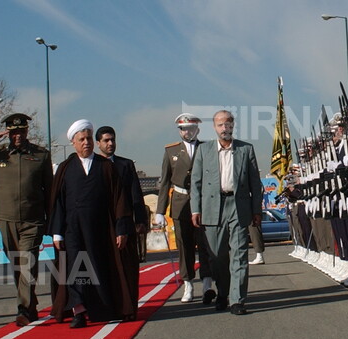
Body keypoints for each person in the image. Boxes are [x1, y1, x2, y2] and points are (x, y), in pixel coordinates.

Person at [0, 113, 53, 327]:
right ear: (8, 133)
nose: (17, 136)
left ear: (27, 132)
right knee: (17, 266)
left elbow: (49, 190)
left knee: (26, 263)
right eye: (13, 133)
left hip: (32, 221)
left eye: (21, 131)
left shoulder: (40, 155)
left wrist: (51, 220)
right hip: (5, 220)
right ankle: (30, 304)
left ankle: (23, 308)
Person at [49, 120, 134, 328]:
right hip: (73, 229)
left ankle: (103, 308)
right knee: (75, 268)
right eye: (82, 139)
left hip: (101, 230)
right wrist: (57, 233)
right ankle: (78, 310)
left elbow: (119, 200)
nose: (86, 143)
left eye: (88, 138)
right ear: (73, 142)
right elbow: (57, 202)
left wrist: (121, 229)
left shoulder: (106, 167)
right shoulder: (65, 168)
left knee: (99, 267)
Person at [190, 111, 263, 316]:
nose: (225, 128)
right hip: (212, 207)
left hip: (238, 206)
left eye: (228, 124)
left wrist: (256, 210)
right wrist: (195, 209)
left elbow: (255, 184)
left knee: (239, 254)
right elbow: (195, 183)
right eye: (220, 125)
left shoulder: (246, 149)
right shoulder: (204, 150)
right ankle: (223, 292)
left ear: (233, 126)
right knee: (217, 255)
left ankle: (237, 300)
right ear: (214, 127)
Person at [156, 114, 213, 304]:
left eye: (189, 128)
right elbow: (164, 183)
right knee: (184, 246)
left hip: (203, 202)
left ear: (197, 129)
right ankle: (188, 283)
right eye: (182, 129)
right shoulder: (170, 151)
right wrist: (159, 211)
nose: (186, 132)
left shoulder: (207, 149)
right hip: (180, 203)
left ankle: (207, 283)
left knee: (205, 244)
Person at [95, 125, 144, 316]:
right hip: (103, 226)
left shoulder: (125, 165)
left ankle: (129, 308)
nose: (110, 144)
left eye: (112, 139)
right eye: (106, 140)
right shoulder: (94, 166)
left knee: (128, 268)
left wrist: (140, 220)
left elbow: (136, 195)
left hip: (125, 225)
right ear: (98, 143)